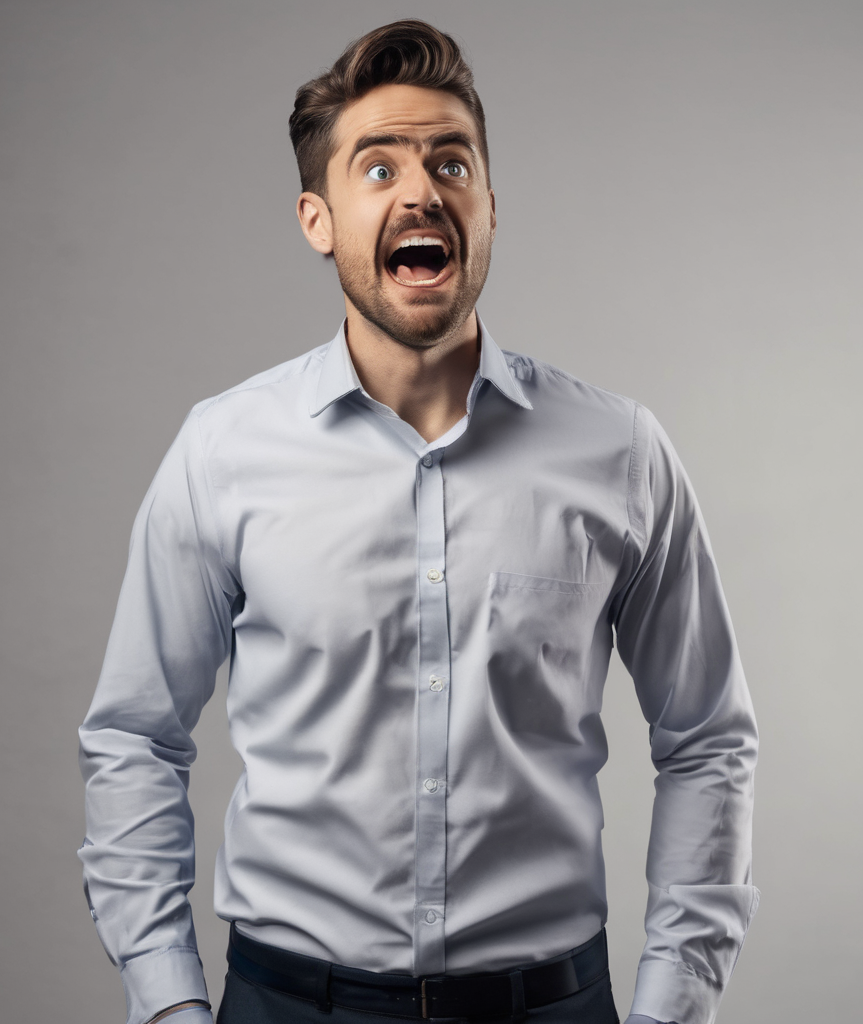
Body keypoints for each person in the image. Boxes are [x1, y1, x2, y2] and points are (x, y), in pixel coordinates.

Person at [78, 19, 759, 1024]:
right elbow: (135, 736)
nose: (420, 190)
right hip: (286, 1003)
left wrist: (672, 1006)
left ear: (488, 205)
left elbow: (706, 738)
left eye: (451, 161)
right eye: (377, 165)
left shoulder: (619, 452)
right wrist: (169, 1000)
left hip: (549, 1003)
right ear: (318, 219)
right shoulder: (222, 452)